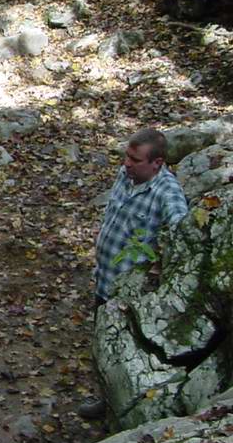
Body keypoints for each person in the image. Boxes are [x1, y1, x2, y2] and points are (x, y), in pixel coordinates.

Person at [79, 127, 189, 419]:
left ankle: (119, 410)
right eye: (126, 156)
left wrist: (158, 267)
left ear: (157, 163)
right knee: (102, 344)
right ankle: (104, 398)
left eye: (135, 159)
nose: (127, 163)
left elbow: (182, 235)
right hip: (105, 279)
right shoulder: (126, 174)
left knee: (120, 353)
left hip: (130, 295)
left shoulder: (168, 194)